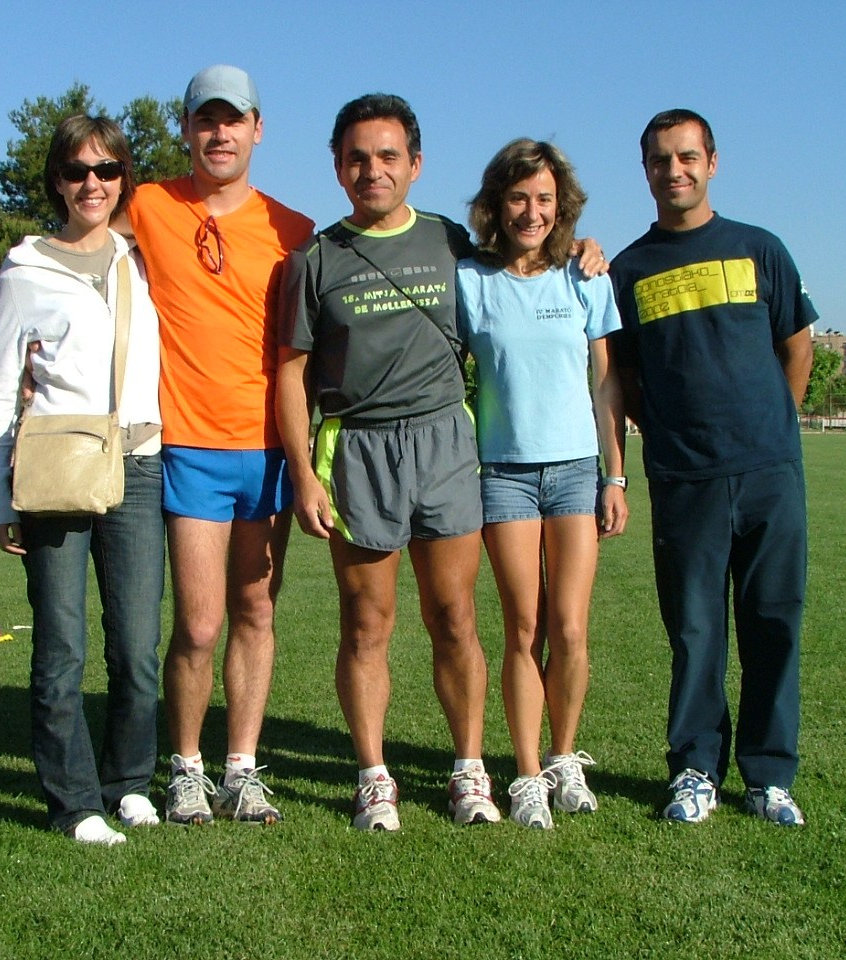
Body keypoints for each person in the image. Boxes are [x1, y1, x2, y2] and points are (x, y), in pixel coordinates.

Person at [277, 95, 609, 831]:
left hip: (445, 446)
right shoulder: (316, 259)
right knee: (366, 625)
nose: (373, 170)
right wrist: (303, 473)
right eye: (357, 158)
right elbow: (290, 374)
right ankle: (373, 776)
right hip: (359, 449)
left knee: (455, 618)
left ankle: (468, 769)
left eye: (388, 156)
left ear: (415, 164)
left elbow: (526, 262)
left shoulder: (450, 243)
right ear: (337, 167)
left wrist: (584, 248)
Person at [608, 109, 816, 826]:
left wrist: (775, 426)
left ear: (712, 162)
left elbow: (797, 346)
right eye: (661, 160)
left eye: (688, 157)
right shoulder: (629, 270)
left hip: (769, 472)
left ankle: (768, 777)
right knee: (695, 633)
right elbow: (623, 377)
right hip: (685, 478)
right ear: (645, 171)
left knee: (772, 625)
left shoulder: (760, 249)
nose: (675, 171)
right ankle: (695, 769)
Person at [126, 65, 314, 825]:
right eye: (206, 120)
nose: (220, 133)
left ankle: (241, 768)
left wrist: (582, 247)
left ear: (257, 129)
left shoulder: (294, 230)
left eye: (233, 119)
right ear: (186, 130)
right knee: (199, 624)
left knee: (255, 611)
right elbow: (82, 232)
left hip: (270, 452)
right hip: (189, 447)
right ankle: (185, 768)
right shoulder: (149, 205)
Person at [0, 115, 164, 846]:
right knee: (61, 648)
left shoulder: (142, 259)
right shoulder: (25, 269)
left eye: (107, 170)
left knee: (137, 648)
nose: (93, 183)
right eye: (77, 171)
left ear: (124, 178)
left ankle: (130, 783)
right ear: (57, 181)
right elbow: (2, 389)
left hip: (139, 464)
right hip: (57, 466)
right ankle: (74, 803)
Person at [456, 139, 628, 830]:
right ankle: (527, 775)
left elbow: (607, 384)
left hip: (577, 472)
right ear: (497, 204)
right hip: (504, 475)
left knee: (571, 627)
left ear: (563, 206)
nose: (532, 212)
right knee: (524, 627)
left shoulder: (586, 277)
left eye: (545, 199)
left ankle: (562, 759)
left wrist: (615, 475)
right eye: (519, 198)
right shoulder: (471, 281)